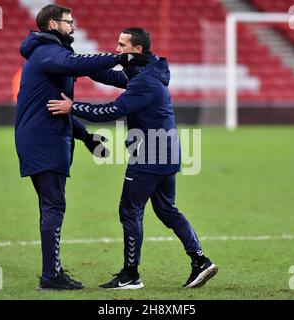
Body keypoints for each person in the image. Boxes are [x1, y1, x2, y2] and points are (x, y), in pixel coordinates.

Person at [46, 28, 218, 289]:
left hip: (150, 154)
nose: (116, 49)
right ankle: (200, 261)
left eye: (121, 44)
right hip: (167, 151)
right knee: (166, 209)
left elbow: (113, 110)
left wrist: (74, 107)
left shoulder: (144, 81)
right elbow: (108, 75)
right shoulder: (145, 71)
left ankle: (131, 275)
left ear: (136, 49)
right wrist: (76, 63)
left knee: (130, 209)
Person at [15, 5, 147, 291]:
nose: (73, 27)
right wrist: (119, 57)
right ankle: (51, 276)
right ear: (53, 24)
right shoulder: (49, 52)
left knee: (50, 206)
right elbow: (75, 65)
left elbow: (58, 108)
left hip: (43, 139)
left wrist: (86, 138)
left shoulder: (49, 52)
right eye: (69, 22)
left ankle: (53, 271)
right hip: (44, 143)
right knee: (53, 206)